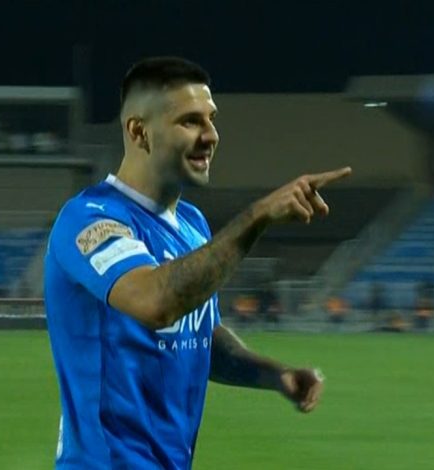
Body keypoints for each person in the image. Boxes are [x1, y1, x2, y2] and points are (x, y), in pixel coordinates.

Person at [44, 57, 350, 469]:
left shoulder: (191, 225)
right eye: (190, 121)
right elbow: (156, 302)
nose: (211, 135)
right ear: (139, 131)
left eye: (211, 119)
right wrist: (257, 216)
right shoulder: (89, 219)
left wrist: (275, 375)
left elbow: (201, 336)